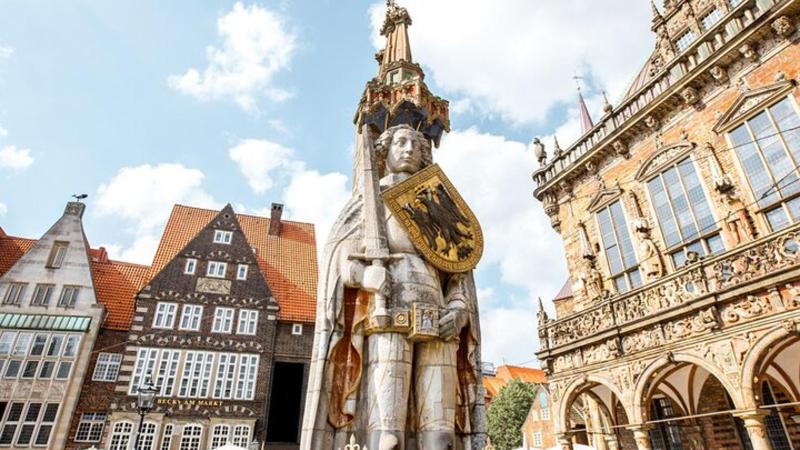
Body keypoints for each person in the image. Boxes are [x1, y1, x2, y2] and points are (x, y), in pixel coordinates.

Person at [301, 124, 483, 450]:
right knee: (387, 431)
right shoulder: (371, 200)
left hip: (440, 315)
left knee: (440, 432)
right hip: (388, 312)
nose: (409, 149)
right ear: (385, 152)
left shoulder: (435, 200)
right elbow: (341, 257)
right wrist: (365, 276)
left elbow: (458, 270)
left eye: (415, 144)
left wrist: (458, 310)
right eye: (400, 142)